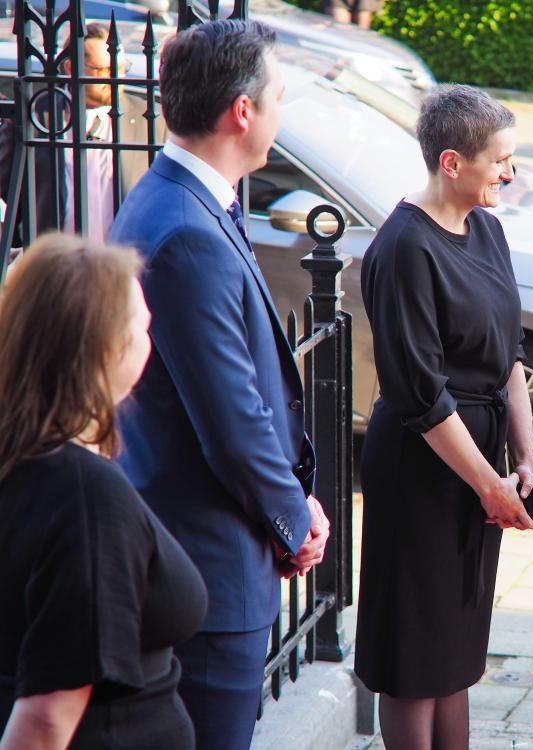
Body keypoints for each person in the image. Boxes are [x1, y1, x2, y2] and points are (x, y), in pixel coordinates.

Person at [109, 20, 329, 750]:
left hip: (201, 548)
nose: (278, 115)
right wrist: (293, 522)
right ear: (243, 112)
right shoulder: (187, 229)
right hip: (207, 568)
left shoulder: (181, 197)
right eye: (277, 99)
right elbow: (231, 419)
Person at [355, 84, 533, 750]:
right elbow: (423, 397)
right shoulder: (404, 247)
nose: (510, 174)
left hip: (479, 465)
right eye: (500, 160)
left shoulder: (487, 229)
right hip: (424, 471)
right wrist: (487, 484)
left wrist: (521, 455)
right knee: (413, 661)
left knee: (455, 655)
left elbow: (507, 352)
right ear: (453, 163)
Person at [0, 234, 207, 749]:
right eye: (142, 324)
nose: (150, 336)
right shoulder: (86, 496)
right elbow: (47, 720)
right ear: (105, 347)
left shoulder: (27, 454)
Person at [0, 23, 156, 241]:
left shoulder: (148, 119)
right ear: (72, 69)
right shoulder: (34, 116)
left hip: (122, 266)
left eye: (122, 68)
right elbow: (8, 188)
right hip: (55, 264)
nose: (116, 78)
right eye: (105, 70)